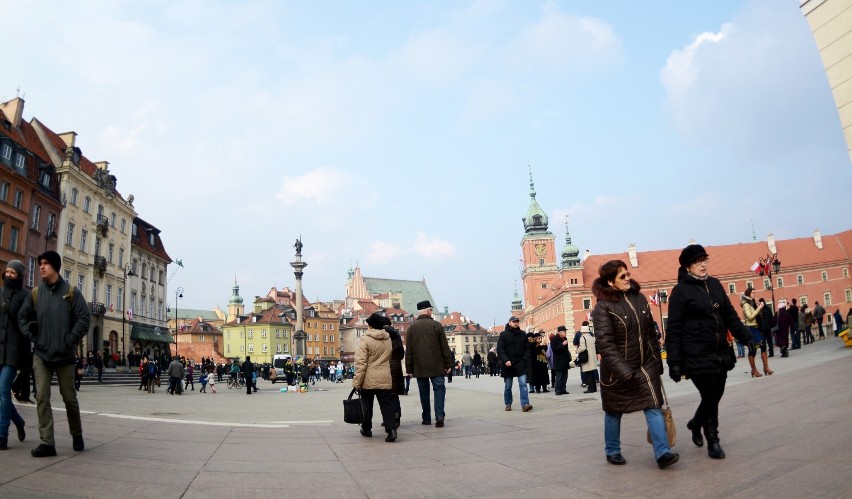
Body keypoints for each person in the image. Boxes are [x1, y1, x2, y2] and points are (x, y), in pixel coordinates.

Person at [666, 245, 753, 460]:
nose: (703, 264)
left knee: (715, 394)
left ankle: (696, 423)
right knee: (711, 394)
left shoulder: (714, 284)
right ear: (687, 267)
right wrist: (674, 362)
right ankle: (713, 439)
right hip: (695, 353)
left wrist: (747, 338)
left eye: (704, 260)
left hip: (719, 351)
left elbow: (730, 315)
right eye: (697, 262)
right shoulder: (680, 292)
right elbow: (674, 328)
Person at [591, 260, 678, 469]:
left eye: (627, 274)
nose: (628, 278)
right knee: (614, 411)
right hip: (617, 370)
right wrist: (624, 371)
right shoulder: (603, 307)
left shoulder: (639, 299)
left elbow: (650, 333)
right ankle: (612, 450)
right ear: (611, 282)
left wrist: (656, 360)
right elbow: (606, 344)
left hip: (644, 364)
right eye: (622, 276)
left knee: (653, 406)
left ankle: (663, 452)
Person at [18, 250, 91, 457]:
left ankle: (76, 434)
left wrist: (70, 339)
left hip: (65, 355)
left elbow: (83, 318)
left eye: (46, 263)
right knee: (41, 396)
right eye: (40, 263)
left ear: (55, 267)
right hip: (41, 353)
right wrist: (31, 333)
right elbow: (22, 318)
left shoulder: (71, 292)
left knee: (69, 398)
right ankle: (47, 443)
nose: (41, 266)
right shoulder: (35, 293)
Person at [404, 300, 453, 427]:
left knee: (424, 393)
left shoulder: (411, 328)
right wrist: (448, 364)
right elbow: (444, 347)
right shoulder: (436, 325)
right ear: (428, 311)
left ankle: (426, 417)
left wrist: (409, 368)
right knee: (439, 390)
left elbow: (408, 351)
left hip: (420, 367)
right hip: (437, 365)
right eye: (431, 310)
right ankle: (439, 415)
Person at [353, 313, 399, 442]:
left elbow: (361, 363)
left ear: (370, 325)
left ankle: (366, 429)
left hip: (368, 377)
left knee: (367, 405)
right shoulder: (388, 338)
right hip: (384, 375)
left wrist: (357, 382)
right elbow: (388, 357)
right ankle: (391, 430)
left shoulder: (365, 339)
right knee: (387, 405)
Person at [0, 260, 29, 449]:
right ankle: (18, 421)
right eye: (7, 271)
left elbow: (25, 325)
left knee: (3, 391)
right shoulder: (0, 292)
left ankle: (2, 434)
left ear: (19, 275)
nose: (9, 274)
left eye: (13, 272)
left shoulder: (25, 296)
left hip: (12, 352)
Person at [497, 316, 532, 412]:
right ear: (509, 323)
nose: (516, 323)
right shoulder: (503, 334)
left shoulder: (523, 334)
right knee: (508, 386)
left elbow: (527, 349)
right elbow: (500, 349)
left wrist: (525, 359)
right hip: (508, 364)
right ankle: (508, 403)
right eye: (514, 321)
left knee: (523, 384)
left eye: (517, 321)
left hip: (520, 363)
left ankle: (525, 404)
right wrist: (505, 360)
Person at [740, 288, 772, 377]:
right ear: (749, 294)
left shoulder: (752, 303)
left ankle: (766, 367)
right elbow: (750, 317)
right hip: (750, 329)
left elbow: (758, 315)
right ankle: (753, 370)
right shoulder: (745, 304)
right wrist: (758, 309)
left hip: (757, 327)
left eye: (755, 292)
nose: (754, 294)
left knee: (763, 346)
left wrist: (760, 309)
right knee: (752, 350)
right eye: (753, 293)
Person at [575, 325, 598, 393]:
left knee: (588, 374)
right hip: (592, 357)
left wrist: (577, 351)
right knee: (592, 373)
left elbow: (582, 348)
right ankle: (594, 388)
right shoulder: (591, 337)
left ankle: (590, 389)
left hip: (587, 357)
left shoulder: (583, 337)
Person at [550, 326, 572, 395]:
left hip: (565, 360)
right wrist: (562, 344)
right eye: (565, 332)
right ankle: (558, 390)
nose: (565, 333)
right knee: (559, 376)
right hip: (559, 361)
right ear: (560, 332)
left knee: (565, 376)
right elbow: (555, 349)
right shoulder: (554, 339)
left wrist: (568, 358)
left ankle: (563, 389)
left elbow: (566, 350)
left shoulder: (565, 338)